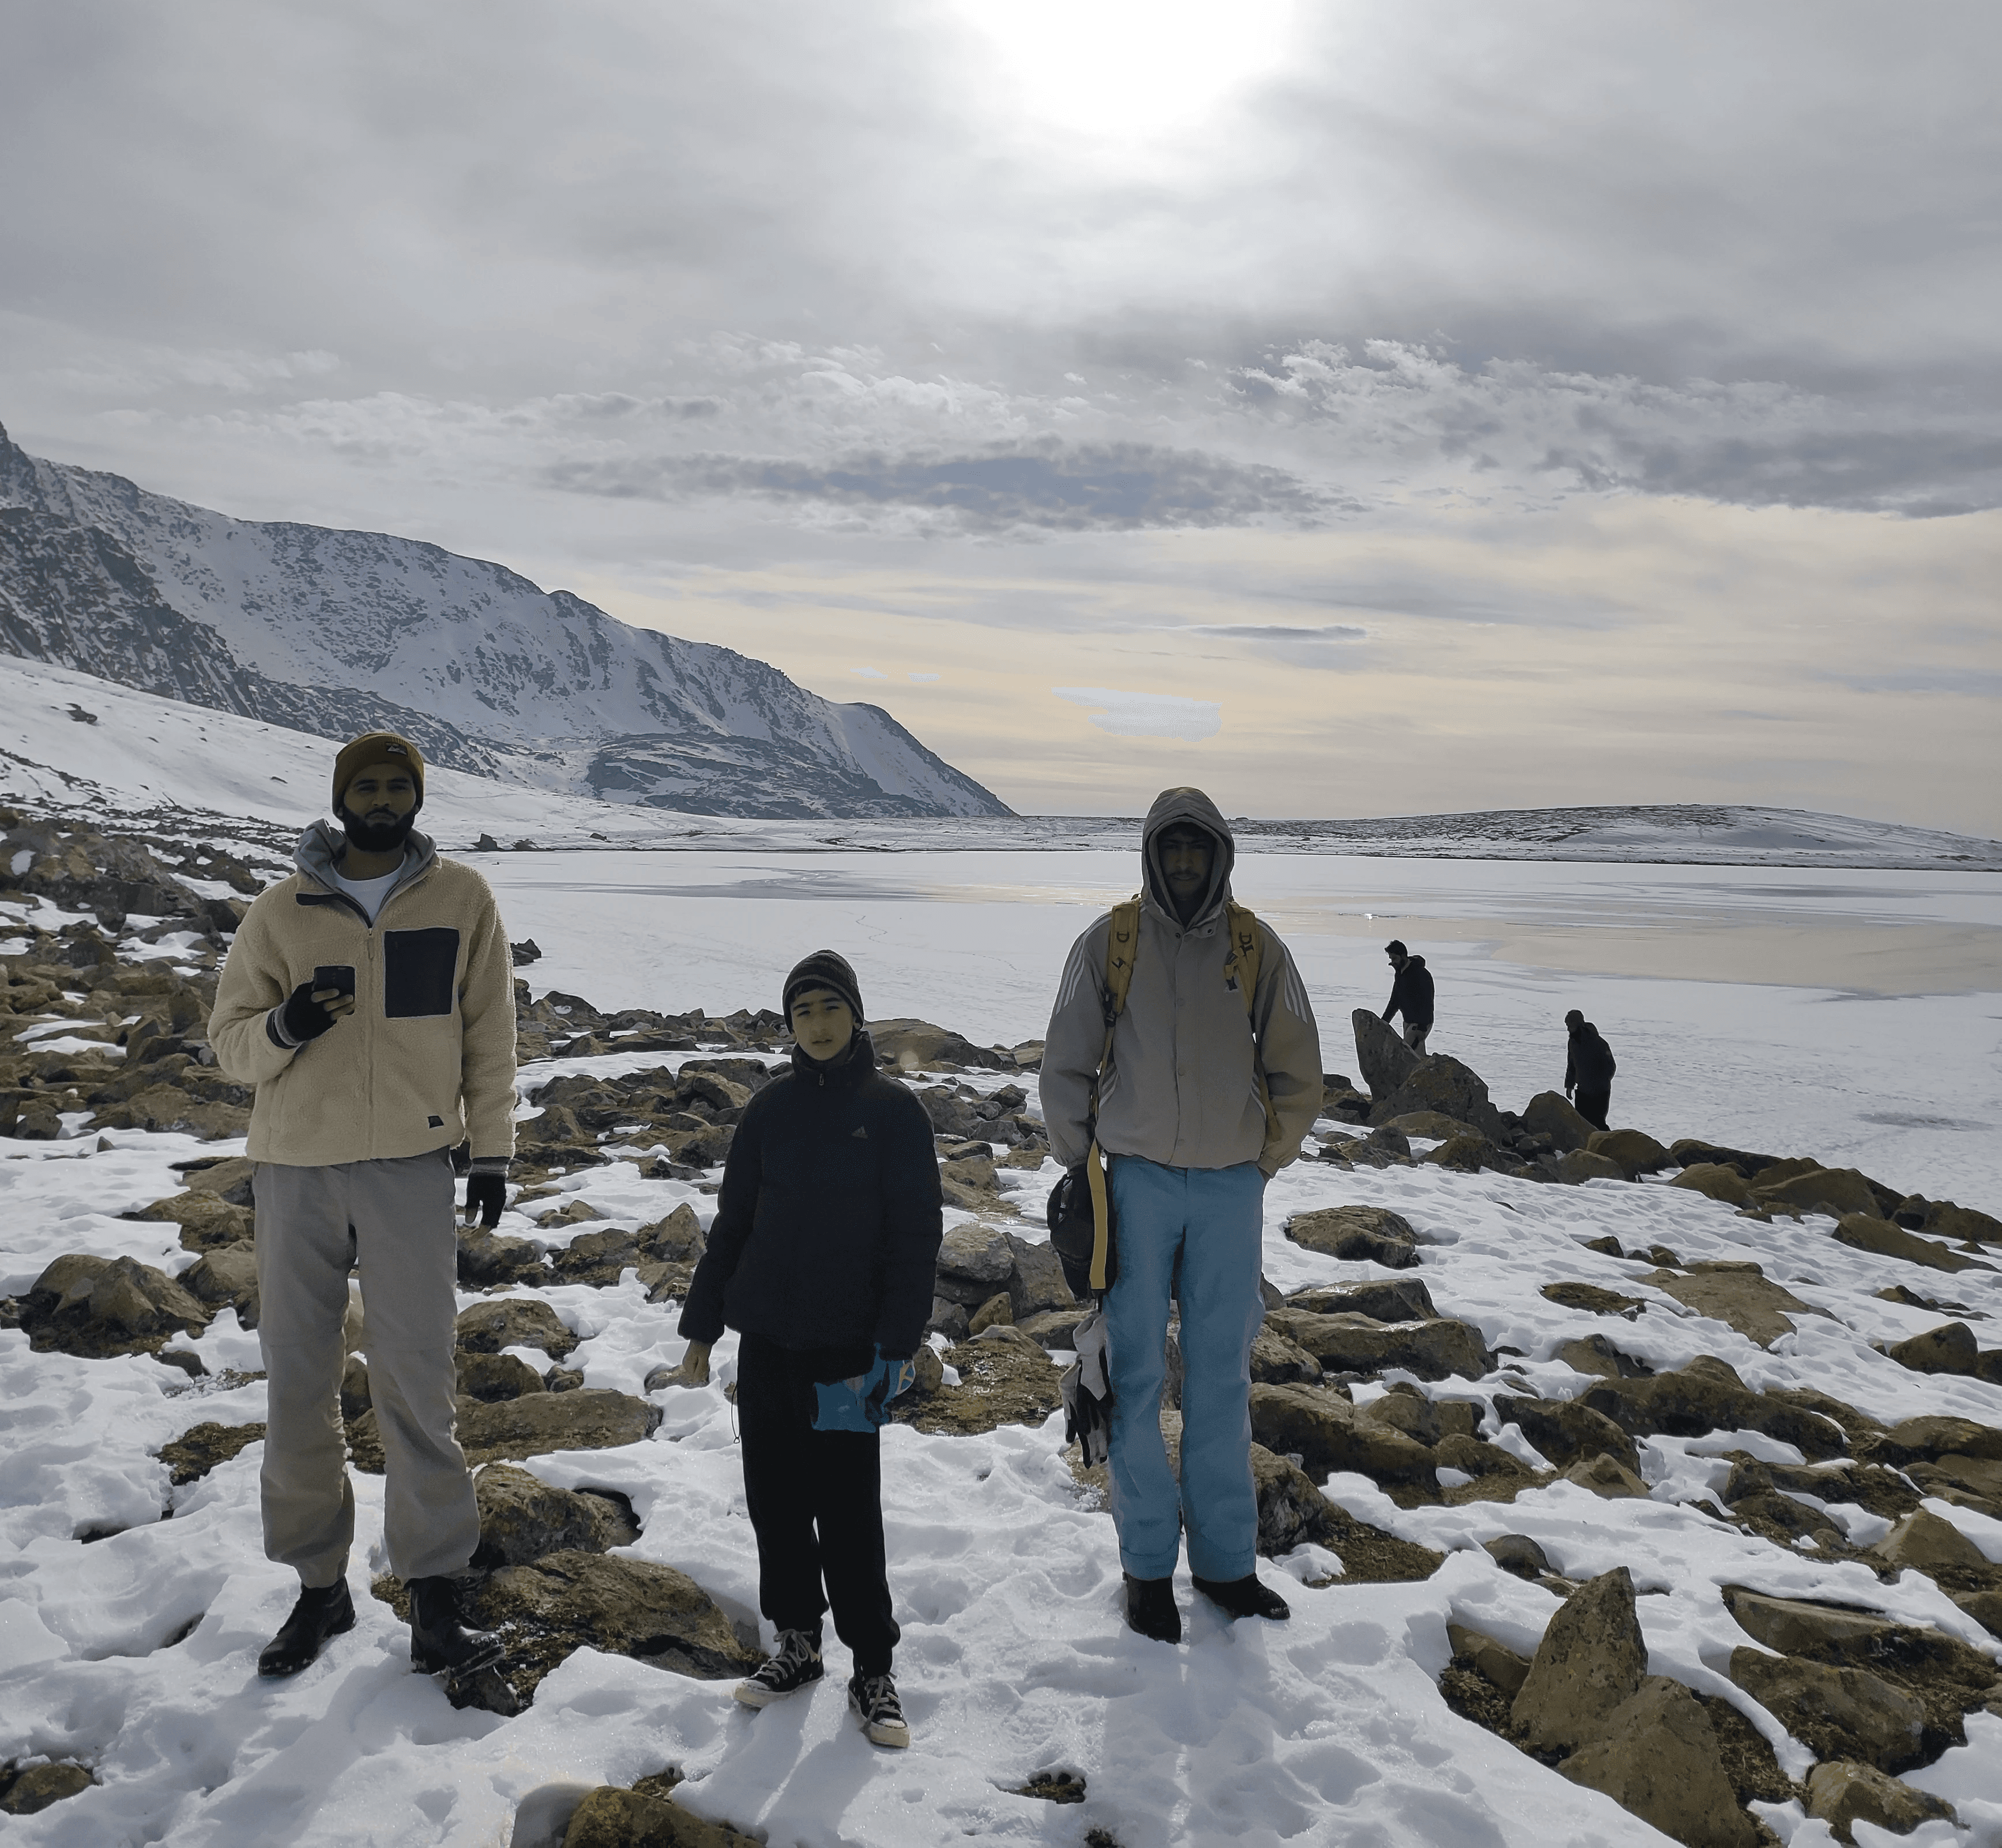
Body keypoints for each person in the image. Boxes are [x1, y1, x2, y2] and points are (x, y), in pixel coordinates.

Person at [209, 732, 517, 1681]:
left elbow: (489, 1033)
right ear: (341, 798)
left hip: (412, 1169)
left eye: (396, 786)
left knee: (416, 1385)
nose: (381, 799)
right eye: (366, 786)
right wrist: (288, 1025)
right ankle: (318, 1590)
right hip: (296, 1168)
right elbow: (227, 1043)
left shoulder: (462, 899)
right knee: (299, 1387)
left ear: (416, 798)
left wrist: (493, 1150)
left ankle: (433, 1596)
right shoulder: (282, 908)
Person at [1043, 788, 1322, 1644]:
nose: (1186, 864)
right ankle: (1147, 1569)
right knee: (1132, 1377)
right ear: (1153, 854)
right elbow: (1066, 1060)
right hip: (1135, 1186)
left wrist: (1260, 1159)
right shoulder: (1111, 943)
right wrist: (1082, 1163)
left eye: (1199, 850)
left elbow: (1297, 1072)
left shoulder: (1256, 948)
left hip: (1230, 1188)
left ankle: (1228, 1565)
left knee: (1221, 1377)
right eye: (1173, 850)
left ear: (1221, 854)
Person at [673, 951, 942, 1749]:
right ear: (788, 1025)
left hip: (849, 1354)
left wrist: (898, 1342)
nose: (818, 1025)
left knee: (849, 1511)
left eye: (830, 1008)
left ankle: (873, 1666)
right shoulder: (769, 1111)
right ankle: (796, 1640)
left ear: (856, 1014)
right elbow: (734, 1222)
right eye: (803, 1013)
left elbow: (915, 1236)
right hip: (768, 1349)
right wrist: (702, 1323)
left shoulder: (893, 1112)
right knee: (778, 1501)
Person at [1564, 1009, 1617, 1131]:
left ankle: (1608, 1148)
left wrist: (1601, 1083)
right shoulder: (1572, 1042)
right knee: (1582, 1126)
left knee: (1598, 1126)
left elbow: (1611, 1066)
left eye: (1570, 1026)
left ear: (1578, 1025)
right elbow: (1571, 1065)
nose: (1568, 1029)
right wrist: (1569, 1085)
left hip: (1600, 1094)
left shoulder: (1597, 1042)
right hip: (1582, 1093)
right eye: (1567, 1026)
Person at [1381, 940, 1433, 1053]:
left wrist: (1422, 1027)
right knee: (1417, 1058)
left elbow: (1428, 1002)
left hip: (1419, 1024)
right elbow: (1395, 1002)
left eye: (1394, 959)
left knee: (1405, 1054)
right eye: (1391, 959)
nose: (1392, 963)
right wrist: (1383, 1023)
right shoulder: (1400, 974)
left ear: (1403, 956)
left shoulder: (1421, 974)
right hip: (1408, 1022)